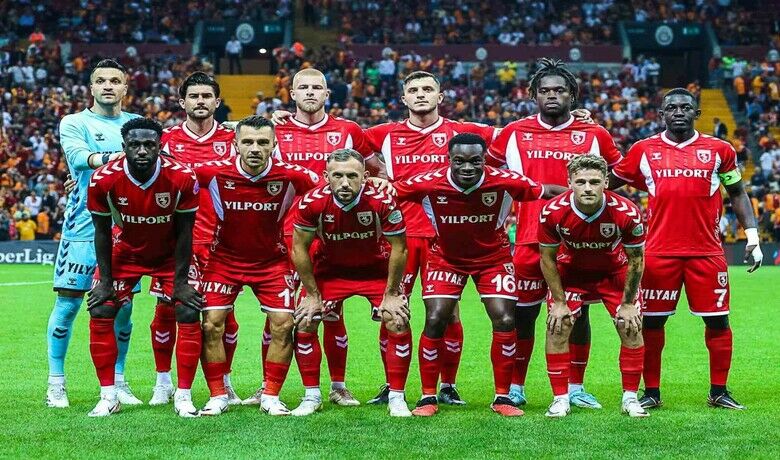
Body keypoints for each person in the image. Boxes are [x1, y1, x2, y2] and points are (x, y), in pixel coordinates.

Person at [610, 88, 763, 410]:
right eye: (671, 108)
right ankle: (652, 392)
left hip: (707, 253)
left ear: (696, 113)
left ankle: (718, 391)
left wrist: (752, 235)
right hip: (659, 253)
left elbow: (737, 192)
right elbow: (604, 183)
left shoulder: (720, 150)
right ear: (661, 114)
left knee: (718, 322)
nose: (678, 112)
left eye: (685, 107)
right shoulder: (643, 150)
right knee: (652, 324)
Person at [394, 133, 565, 417]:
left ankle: (503, 397)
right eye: (459, 161)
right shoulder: (427, 183)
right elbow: (388, 193)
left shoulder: (505, 181)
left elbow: (546, 190)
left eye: (475, 161)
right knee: (435, 318)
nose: (467, 167)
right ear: (449, 160)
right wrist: (375, 183)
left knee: (506, 318)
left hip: (493, 260)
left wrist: (591, 196)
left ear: (484, 160)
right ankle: (427, 396)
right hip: (446, 260)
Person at [243, 68, 383, 408]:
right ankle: (267, 385)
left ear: (327, 94)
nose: (310, 92)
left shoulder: (348, 130)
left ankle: (338, 386)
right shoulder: (275, 130)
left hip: (336, 235)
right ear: (291, 94)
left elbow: (375, 168)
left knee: (332, 312)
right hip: (287, 235)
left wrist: (381, 182)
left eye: (316, 87)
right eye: (303, 87)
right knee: (278, 313)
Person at [487, 58, 622, 408]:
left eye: (559, 90)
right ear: (533, 95)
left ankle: (575, 388)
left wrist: (592, 206)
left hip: (579, 243)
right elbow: (488, 172)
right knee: (523, 315)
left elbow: (617, 173)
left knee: (578, 314)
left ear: (572, 95)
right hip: (529, 239)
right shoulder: (513, 133)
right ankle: (516, 386)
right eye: (544, 90)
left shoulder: (594, 134)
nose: (552, 96)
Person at [197, 116, 319, 417]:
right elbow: (170, 177)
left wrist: (376, 179)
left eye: (263, 142)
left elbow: (330, 188)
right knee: (211, 324)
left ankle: (271, 395)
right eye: (248, 142)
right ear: (235, 144)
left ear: (274, 144)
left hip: (271, 262)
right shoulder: (212, 172)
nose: (255, 148)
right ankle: (218, 395)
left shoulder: (292, 175)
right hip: (223, 260)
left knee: (284, 324)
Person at [86, 118, 201, 417]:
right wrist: (105, 281)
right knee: (101, 308)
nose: (141, 151)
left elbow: (186, 231)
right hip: (125, 251)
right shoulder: (102, 179)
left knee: (188, 309)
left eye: (149, 145)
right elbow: (101, 231)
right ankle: (108, 396)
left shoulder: (182, 177)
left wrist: (181, 282)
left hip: (169, 254)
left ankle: (183, 395)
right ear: (124, 147)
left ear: (160, 147)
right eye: (134, 145)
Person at [46, 59, 142, 409]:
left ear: (125, 88)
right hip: (83, 226)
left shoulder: (136, 124)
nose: (108, 86)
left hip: (125, 228)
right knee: (69, 302)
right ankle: (56, 383)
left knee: (123, 307)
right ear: (91, 87)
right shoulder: (74, 122)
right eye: (101, 80)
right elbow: (79, 157)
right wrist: (130, 156)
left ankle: (119, 380)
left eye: (115, 80)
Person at [292, 149, 412, 417]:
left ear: (365, 176)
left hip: (375, 271)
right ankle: (312, 396)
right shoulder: (312, 202)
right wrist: (311, 294)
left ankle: (397, 397)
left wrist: (392, 293)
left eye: (352, 176)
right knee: (305, 320)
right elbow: (299, 248)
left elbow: (400, 248)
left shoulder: (382, 201)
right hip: (331, 271)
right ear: (326, 177)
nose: (345, 183)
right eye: (337, 176)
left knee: (397, 319)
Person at [147, 72, 241, 407]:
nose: (200, 101)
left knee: (224, 314)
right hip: (174, 240)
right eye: (194, 96)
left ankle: (225, 382)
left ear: (217, 101)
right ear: (182, 102)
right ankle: (163, 382)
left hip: (220, 240)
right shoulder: (166, 140)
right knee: (166, 309)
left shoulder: (234, 139)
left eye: (206, 96)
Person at [538, 154, 648, 418]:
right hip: (571, 273)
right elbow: (547, 258)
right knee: (558, 325)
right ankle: (560, 399)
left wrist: (628, 304)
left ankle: (630, 398)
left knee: (630, 325)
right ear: (570, 183)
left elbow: (636, 259)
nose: (587, 188)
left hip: (613, 273)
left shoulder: (627, 212)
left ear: (606, 183)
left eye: (595, 182)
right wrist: (559, 302)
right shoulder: (552, 211)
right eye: (581, 182)